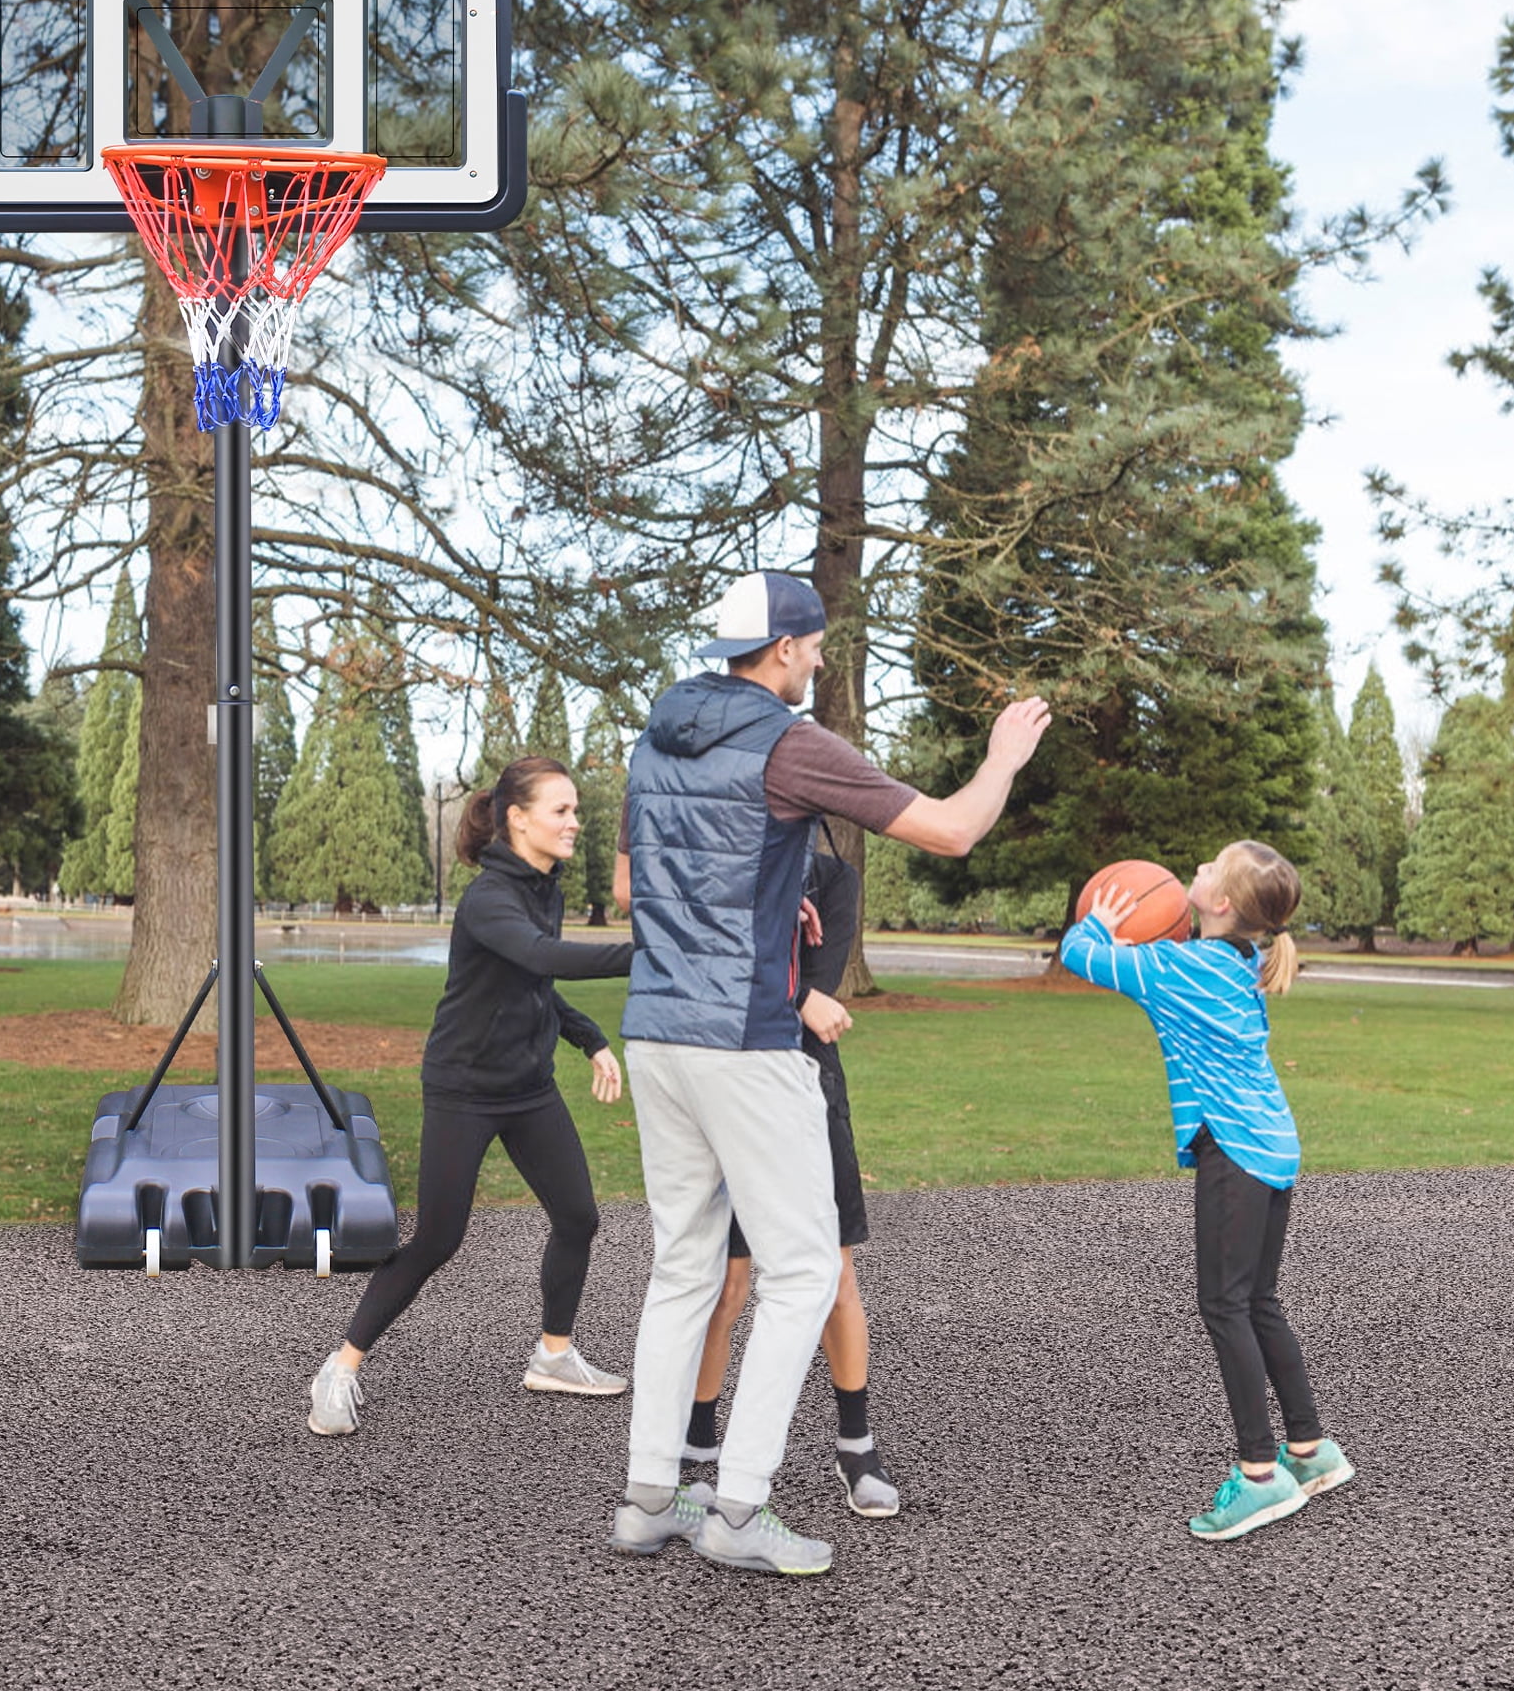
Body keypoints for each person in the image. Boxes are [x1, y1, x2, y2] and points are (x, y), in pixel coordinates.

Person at [606, 570, 1050, 1575]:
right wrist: (999, 757)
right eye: (811, 644)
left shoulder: (653, 738)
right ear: (782, 651)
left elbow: (637, 886)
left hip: (655, 1031)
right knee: (803, 1268)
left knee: (681, 1265)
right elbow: (950, 828)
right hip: (744, 1040)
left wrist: (762, 902)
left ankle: (647, 1498)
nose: (817, 657)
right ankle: (739, 1507)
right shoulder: (787, 741)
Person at [308, 755, 633, 1436]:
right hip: (463, 1088)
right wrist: (653, 948)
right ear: (518, 819)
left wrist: (589, 1038)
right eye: (562, 811)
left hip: (528, 1086)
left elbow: (533, 985)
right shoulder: (489, 898)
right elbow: (543, 959)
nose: (576, 822)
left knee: (578, 1217)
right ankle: (339, 1369)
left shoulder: (546, 885)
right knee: (437, 1240)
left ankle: (554, 1355)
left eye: (575, 810)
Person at [1059, 839, 1356, 1542]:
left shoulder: (1180, 966)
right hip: (1273, 1145)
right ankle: (1310, 1453)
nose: (1191, 872)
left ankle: (1259, 1476)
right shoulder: (1240, 959)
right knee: (1257, 1301)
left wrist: (1099, 919)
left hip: (1235, 1148)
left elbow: (1080, 956)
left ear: (1221, 903)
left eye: (1207, 870)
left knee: (1224, 1305)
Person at [681, 846, 902, 1520]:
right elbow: (710, 969)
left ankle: (855, 1446)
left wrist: (793, 988)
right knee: (729, 1284)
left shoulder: (833, 880)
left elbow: (819, 986)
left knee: (836, 1277)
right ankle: (697, 1450)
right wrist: (793, 991)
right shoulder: (729, 866)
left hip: (808, 1088)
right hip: (735, 1088)